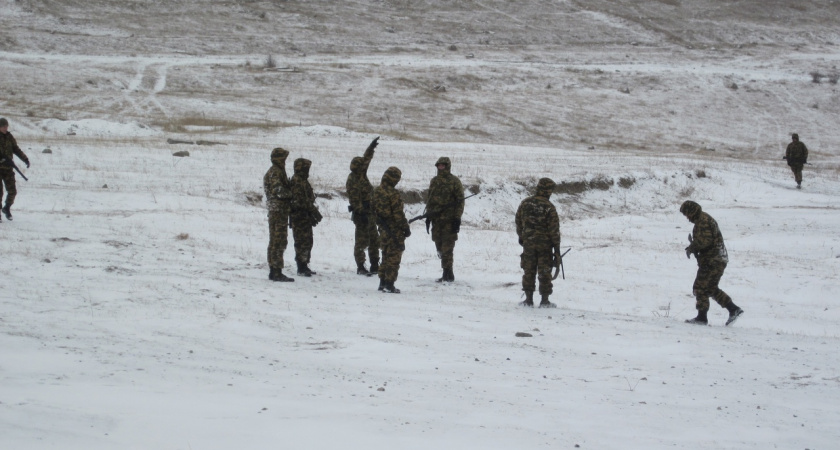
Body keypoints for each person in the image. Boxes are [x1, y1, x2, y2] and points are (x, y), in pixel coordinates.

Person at [680, 200, 743, 326]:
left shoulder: (703, 221)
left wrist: (693, 247)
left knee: (701, 287)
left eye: (687, 214)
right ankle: (733, 309)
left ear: (692, 211)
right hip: (715, 259)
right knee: (709, 288)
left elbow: (706, 241)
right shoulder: (701, 220)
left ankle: (702, 318)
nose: (687, 218)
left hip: (713, 260)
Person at [515, 178, 561, 308]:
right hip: (544, 246)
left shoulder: (525, 203)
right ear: (548, 190)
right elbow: (554, 230)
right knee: (545, 271)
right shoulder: (549, 207)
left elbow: (518, 221)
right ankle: (544, 300)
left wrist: (522, 236)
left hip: (528, 244)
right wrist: (556, 247)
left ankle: (528, 300)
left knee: (528, 270)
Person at [424, 157, 464, 282]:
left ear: (447, 166)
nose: (440, 168)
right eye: (439, 166)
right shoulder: (434, 181)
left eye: (443, 166)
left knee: (448, 248)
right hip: (436, 220)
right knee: (438, 246)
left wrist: (457, 218)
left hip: (449, 220)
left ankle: (448, 273)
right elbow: (430, 199)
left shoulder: (454, 181)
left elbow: (460, 202)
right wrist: (428, 216)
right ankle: (445, 270)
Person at [346, 137, 381, 275]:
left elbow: (366, 159)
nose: (363, 167)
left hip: (370, 212)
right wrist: (362, 212)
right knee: (361, 241)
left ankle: (374, 265)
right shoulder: (352, 180)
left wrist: (371, 148)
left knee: (374, 239)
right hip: (361, 214)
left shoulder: (361, 174)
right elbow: (354, 200)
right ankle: (360, 266)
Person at [373, 166, 410, 293]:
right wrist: (405, 228)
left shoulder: (377, 191)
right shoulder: (393, 194)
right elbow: (398, 214)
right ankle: (389, 284)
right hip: (394, 230)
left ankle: (382, 282)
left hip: (382, 229)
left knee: (385, 256)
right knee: (394, 257)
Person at [263, 147, 295, 282]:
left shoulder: (274, 171)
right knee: (279, 240)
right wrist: (291, 194)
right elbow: (278, 191)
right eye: (284, 158)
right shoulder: (275, 173)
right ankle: (276, 271)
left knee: (275, 240)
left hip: (276, 210)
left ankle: (274, 270)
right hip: (278, 211)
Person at [290, 158, 322, 277]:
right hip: (299, 216)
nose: (307, 170)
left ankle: (305, 264)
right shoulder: (297, 181)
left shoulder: (303, 180)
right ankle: (301, 266)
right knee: (301, 241)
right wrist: (312, 209)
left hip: (305, 216)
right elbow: (299, 201)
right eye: (306, 168)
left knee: (308, 240)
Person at [0, 118, 31, 222]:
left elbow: (16, 149)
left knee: (12, 191)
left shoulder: (9, 137)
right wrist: (2, 159)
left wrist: (25, 159)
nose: (5, 128)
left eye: (6, 126)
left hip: (8, 169)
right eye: (3, 126)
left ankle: (6, 208)